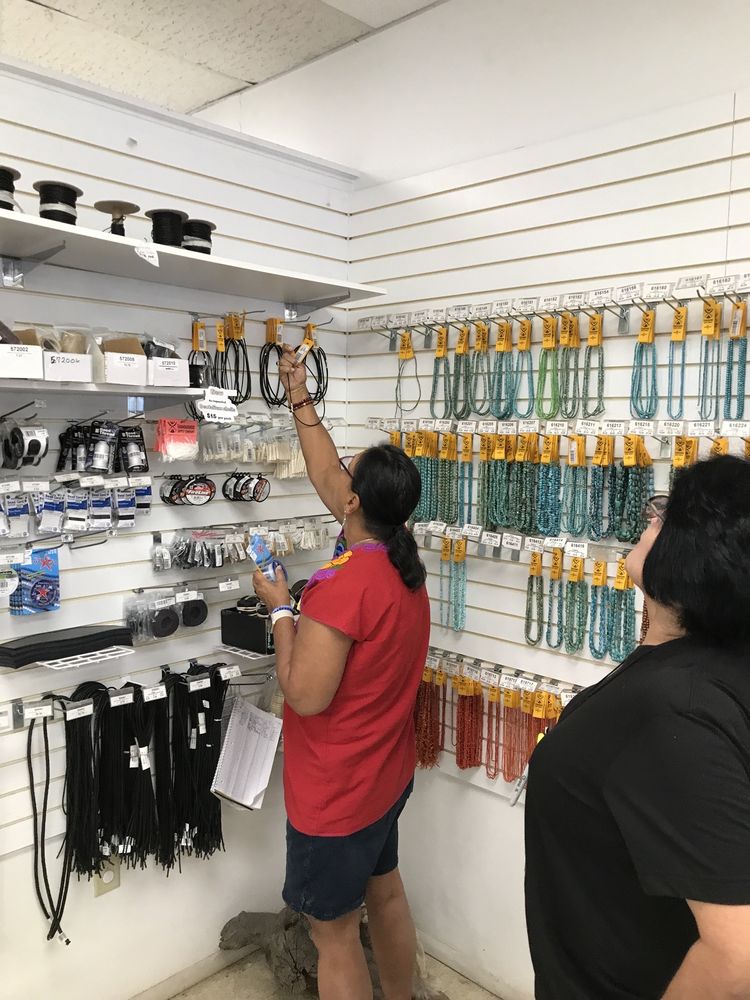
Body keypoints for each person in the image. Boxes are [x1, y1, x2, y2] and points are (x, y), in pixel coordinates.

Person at [524, 455, 750, 1000]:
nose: (650, 518)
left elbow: (738, 956)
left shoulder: (678, 712)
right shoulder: (709, 667)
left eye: (666, 513)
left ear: (695, 554)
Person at [251, 343, 431, 1000]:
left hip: (337, 797)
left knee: (333, 934)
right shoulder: (400, 561)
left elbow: (303, 694)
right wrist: (298, 395)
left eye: (347, 477)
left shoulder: (343, 587)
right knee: (385, 894)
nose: (337, 478)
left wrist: (280, 610)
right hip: (384, 778)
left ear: (353, 504)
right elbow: (327, 470)